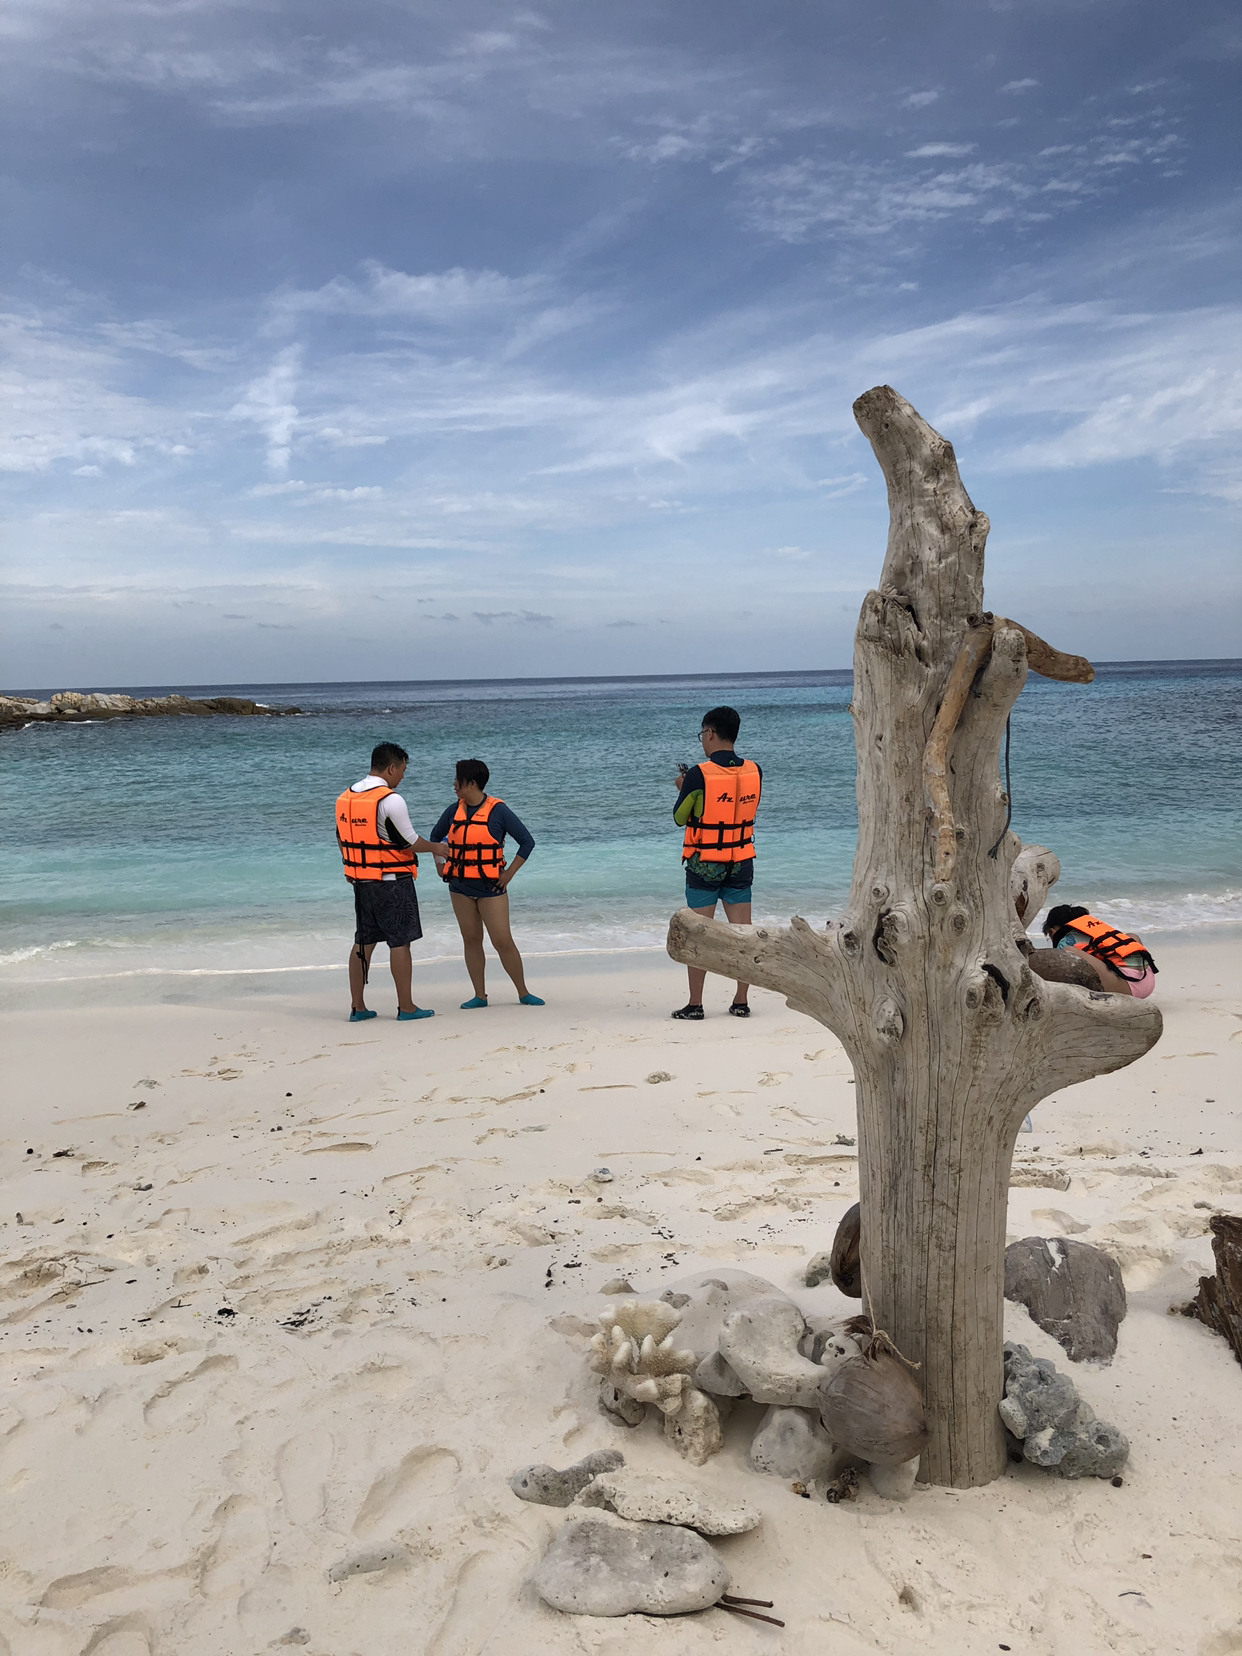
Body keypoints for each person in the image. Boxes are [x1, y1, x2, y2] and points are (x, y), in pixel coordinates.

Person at [335, 742, 451, 1023]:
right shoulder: (391, 800)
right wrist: (437, 848)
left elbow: (341, 837)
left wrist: (354, 867)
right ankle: (406, 1007)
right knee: (400, 942)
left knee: (363, 942)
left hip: (361, 881)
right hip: (392, 881)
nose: (402, 776)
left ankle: (358, 1007)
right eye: (402, 770)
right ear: (391, 768)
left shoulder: (346, 797)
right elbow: (410, 841)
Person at [670, 705, 762, 1019]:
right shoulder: (754, 770)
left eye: (702, 735)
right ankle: (741, 1001)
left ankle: (695, 1004)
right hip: (741, 859)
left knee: (698, 933)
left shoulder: (698, 774)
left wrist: (683, 787)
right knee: (742, 932)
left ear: (710, 733)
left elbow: (680, 817)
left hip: (705, 862)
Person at [430, 758, 544, 1009]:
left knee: (502, 941)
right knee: (471, 940)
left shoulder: (499, 811)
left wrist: (509, 874)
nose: (454, 784)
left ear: (471, 783)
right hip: (459, 887)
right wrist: (439, 864)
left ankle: (523, 992)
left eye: (457, 780)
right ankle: (480, 995)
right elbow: (435, 836)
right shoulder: (453, 811)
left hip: (491, 889)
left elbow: (527, 842)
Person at [1041, 904, 1158, 998]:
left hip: (1127, 988)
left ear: (1052, 931)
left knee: (1069, 951)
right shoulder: (1098, 932)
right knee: (1131, 936)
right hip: (1148, 981)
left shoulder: (1066, 941)